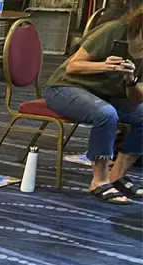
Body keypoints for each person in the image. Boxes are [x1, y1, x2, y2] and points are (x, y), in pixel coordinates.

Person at [44, 5, 143, 204]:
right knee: (106, 114)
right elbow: (73, 65)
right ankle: (99, 181)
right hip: (65, 87)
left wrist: (129, 79)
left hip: (107, 94)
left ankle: (118, 176)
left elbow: (135, 99)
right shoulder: (114, 30)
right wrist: (104, 66)